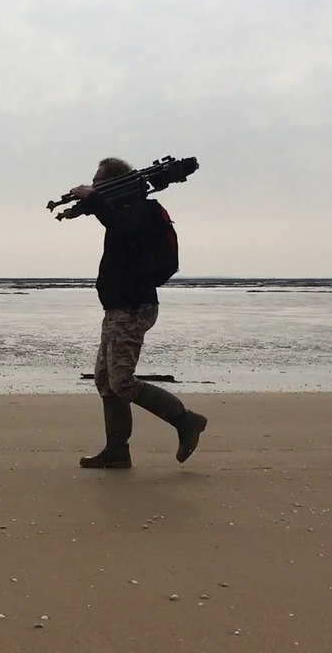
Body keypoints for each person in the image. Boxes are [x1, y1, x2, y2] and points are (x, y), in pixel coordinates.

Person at [68, 157, 207, 469]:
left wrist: (91, 197)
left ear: (114, 184)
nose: (94, 186)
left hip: (133, 307)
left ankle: (186, 420)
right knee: (105, 379)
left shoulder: (138, 210)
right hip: (118, 308)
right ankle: (117, 451)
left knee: (121, 382)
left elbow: (120, 225)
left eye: (98, 182)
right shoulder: (124, 210)